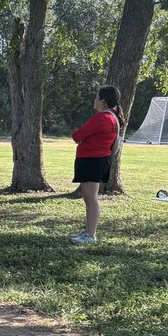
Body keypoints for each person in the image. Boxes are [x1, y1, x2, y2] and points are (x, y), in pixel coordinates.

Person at [69, 86, 122, 245]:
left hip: (93, 160)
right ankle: (88, 232)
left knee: (91, 198)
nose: (94, 100)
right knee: (89, 197)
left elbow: (77, 135)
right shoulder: (112, 117)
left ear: (103, 101)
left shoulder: (102, 118)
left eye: (96, 97)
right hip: (96, 160)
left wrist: (82, 139)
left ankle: (90, 235)